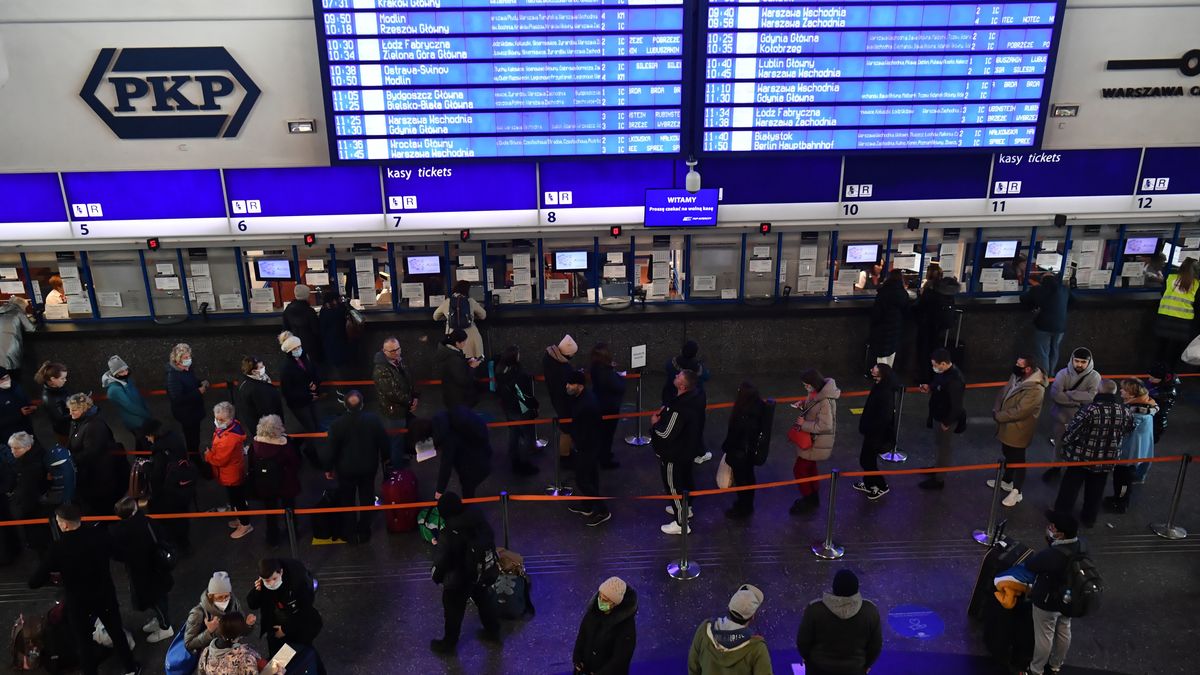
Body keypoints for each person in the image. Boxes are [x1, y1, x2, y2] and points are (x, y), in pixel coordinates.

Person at [28, 504, 141, 675]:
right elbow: (121, 554)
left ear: (65, 525)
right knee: (116, 632)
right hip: (104, 594)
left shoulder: (57, 548)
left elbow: (34, 582)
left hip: (78, 602)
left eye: (59, 521)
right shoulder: (99, 535)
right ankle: (131, 669)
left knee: (83, 643)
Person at [1054, 380, 1133, 527]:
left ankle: (1061, 514)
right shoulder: (1125, 410)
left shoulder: (1090, 409)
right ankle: (1089, 518)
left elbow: (1073, 431)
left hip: (1082, 457)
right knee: (1096, 490)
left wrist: (1065, 441)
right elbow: (1128, 429)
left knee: (1070, 488)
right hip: (1107, 459)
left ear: (1098, 391)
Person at [430, 492, 501, 654]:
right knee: (484, 599)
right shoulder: (478, 517)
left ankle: (449, 643)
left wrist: (436, 576)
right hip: (480, 571)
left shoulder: (449, 533)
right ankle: (493, 630)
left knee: (453, 609)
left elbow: (442, 561)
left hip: (459, 579)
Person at [323, 390, 389, 544]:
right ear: (362, 404)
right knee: (367, 498)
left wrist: (328, 468)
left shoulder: (337, 425)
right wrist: (386, 459)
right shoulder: (373, 420)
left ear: (345, 405)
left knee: (348, 501)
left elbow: (331, 449)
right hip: (368, 468)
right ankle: (364, 530)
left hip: (346, 470)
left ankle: (350, 532)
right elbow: (384, 442)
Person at [1025, 510, 1085, 675]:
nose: (1049, 528)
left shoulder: (1052, 555)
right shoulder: (1081, 545)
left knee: (1045, 635)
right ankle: (1055, 665)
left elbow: (1031, 565)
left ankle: (1035, 670)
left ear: (1060, 534)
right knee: (1064, 628)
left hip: (1048, 601)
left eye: (1052, 527)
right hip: (1069, 598)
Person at [110, 496, 174, 644]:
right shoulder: (148, 522)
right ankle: (162, 621)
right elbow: (163, 536)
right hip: (157, 567)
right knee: (159, 597)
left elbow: (116, 554)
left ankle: (165, 626)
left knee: (155, 599)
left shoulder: (118, 531)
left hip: (139, 571)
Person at [796, 569, 883, 675]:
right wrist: (866, 665)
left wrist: (808, 660)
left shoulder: (815, 609)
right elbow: (875, 646)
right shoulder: (870, 611)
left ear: (834, 588)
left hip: (818, 669)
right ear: (856, 588)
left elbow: (803, 641)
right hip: (855, 670)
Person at [652, 369, 705, 535]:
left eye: (678, 376)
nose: (675, 376)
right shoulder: (698, 396)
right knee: (687, 480)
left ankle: (681, 522)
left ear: (682, 385)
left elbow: (666, 433)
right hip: (688, 450)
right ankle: (687, 508)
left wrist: (654, 425)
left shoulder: (679, 409)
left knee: (674, 486)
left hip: (673, 454)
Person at [990, 355, 1047, 508]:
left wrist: (999, 416)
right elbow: (1004, 391)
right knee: (1007, 451)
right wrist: (997, 409)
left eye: (1018, 364)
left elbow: (1021, 411)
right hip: (1008, 425)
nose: (1015, 366)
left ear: (1028, 369)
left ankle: (1017, 491)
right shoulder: (1017, 376)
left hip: (1019, 428)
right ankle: (1007, 481)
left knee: (1018, 458)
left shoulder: (1036, 389)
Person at [1042, 348, 1101, 483]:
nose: (1079, 364)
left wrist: (1069, 393)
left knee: (1080, 444)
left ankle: (1073, 470)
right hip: (1062, 417)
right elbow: (1056, 396)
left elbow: (1092, 397)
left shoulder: (1095, 376)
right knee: (1059, 443)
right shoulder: (1062, 374)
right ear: (1072, 360)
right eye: (1077, 361)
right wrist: (1079, 400)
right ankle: (1056, 467)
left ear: (1089, 362)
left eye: (1083, 362)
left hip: (1083, 418)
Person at [686, 584, 771, 675]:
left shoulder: (704, 631)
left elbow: (693, 669)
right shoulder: (757, 649)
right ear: (752, 617)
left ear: (729, 607)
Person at [246, 557, 321, 658]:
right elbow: (252, 604)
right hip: (275, 626)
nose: (271, 583)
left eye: (274, 579)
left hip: (297, 627)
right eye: (267, 580)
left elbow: (305, 610)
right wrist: (257, 591)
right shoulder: (263, 585)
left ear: (281, 572)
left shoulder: (296, 585)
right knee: (277, 656)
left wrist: (285, 630)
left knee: (301, 654)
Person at [789, 369, 841, 515]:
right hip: (813, 440)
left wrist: (803, 424)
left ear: (814, 384)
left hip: (815, 441)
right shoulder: (816, 393)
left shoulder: (825, 400)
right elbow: (813, 409)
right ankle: (813, 497)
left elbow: (825, 425)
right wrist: (803, 405)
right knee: (810, 467)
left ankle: (808, 499)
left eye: (807, 385)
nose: (805, 387)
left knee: (799, 470)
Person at [564, 370, 611, 527]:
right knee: (590, 476)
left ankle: (603, 510)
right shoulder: (582, 398)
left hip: (588, 446)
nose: (567, 386)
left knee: (582, 479)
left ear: (580, 385)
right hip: (587, 445)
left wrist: (576, 439)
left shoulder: (587, 404)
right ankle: (589, 505)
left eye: (570, 384)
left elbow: (587, 429)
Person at [67, 392, 126, 515]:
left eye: (74, 410)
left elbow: (92, 452)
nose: (70, 413)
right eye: (70, 410)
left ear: (84, 409)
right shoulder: (78, 421)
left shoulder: (94, 426)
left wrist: (71, 459)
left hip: (98, 476)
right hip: (88, 473)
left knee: (101, 506)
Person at [140, 419, 193, 553]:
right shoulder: (173, 438)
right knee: (181, 518)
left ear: (153, 434)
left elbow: (157, 475)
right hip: (182, 485)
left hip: (169, 492)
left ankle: (178, 545)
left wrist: (145, 467)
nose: (147, 438)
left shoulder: (160, 451)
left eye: (147, 435)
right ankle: (185, 544)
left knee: (169, 521)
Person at [1105, 379, 1157, 514]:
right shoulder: (1146, 408)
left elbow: (1124, 429)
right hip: (1135, 452)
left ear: (1131, 394)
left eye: (1124, 389)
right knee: (1121, 479)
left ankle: (1121, 503)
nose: (1120, 391)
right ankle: (1118, 498)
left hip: (1128, 455)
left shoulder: (1135, 414)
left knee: (1123, 481)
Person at [918, 348, 966, 490]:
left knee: (944, 448)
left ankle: (939, 479)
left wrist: (947, 422)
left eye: (935, 365)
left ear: (944, 364)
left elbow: (956, 406)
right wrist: (930, 387)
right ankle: (937, 468)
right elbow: (938, 384)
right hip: (939, 415)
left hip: (945, 420)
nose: (934, 368)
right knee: (939, 445)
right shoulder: (945, 374)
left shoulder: (955, 380)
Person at [250, 414, 302, 547]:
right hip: (286, 483)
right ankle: (292, 533)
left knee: (270, 512)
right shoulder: (285, 445)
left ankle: (272, 538)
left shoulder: (255, 445)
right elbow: (295, 463)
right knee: (289, 509)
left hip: (266, 484)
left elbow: (251, 464)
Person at [204, 401, 253, 540]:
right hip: (233, 470)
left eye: (221, 419)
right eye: (217, 418)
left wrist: (208, 455)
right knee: (236, 499)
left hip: (231, 474)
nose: (218, 421)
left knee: (238, 499)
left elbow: (220, 460)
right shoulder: (233, 426)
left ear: (230, 418)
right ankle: (241, 520)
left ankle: (245, 524)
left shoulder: (228, 439)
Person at [572, 577, 637, 675]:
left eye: (605, 600)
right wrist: (577, 658)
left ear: (615, 603)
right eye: (600, 596)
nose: (600, 601)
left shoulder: (626, 626)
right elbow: (582, 636)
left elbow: (620, 660)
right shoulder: (592, 613)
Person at [661, 340, 713, 464]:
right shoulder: (697, 367)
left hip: (671, 398)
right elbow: (706, 376)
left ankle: (669, 447)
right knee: (695, 427)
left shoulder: (672, 362)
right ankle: (699, 453)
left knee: (672, 424)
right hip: (692, 402)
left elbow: (667, 367)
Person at [722, 382, 766, 519]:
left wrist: (727, 447)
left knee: (742, 480)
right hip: (749, 452)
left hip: (740, 453)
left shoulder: (744, 414)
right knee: (748, 478)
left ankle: (744, 506)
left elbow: (735, 435)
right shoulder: (758, 407)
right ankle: (746, 504)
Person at [429, 405, 493, 499]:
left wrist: (439, 490)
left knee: (468, 488)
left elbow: (446, 465)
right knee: (468, 487)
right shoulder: (451, 420)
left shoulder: (448, 438)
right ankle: (469, 506)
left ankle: (469, 508)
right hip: (481, 455)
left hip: (473, 464)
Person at [184, 571, 257, 653]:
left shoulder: (234, 603)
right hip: (212, 655)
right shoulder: (198, 613)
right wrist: (209, 632)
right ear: (210, 596)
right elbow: (189, 644)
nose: (224, 600)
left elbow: (240, 631)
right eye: (219, 597)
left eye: (227, 596)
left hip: (233, 650)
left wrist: (248, 625)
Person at [495, 345, 540, 476]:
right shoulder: (520, 375)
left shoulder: (500, 371)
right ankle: (525, 464)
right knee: (527, 437)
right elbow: (527, 395)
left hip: (508, 408)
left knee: (513, 434)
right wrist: (535, 405)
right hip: (521, 409)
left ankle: (514, 460)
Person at [855, 363, 898, 500]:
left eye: (875, 368)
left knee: (867, 461)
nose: (872, 370)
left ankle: (881, 485)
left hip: (875, 433)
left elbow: (884, 417)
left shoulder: (884, 392)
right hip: (872, 431)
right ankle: (869, 483)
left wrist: (871, 429)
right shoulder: (880, 386)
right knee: (867, 460)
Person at [373, 336, 419, 464]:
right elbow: (393, 393)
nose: (397, 352)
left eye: (398, 349)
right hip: (394, 411)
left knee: (401, 437)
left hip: (403, 407)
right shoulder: (381, 370)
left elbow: (409, 379)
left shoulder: (399, 360)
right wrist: (410, 401)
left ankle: (400, 459)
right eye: (392, 351)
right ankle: (397, 468)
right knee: (396, 441)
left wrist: (415, 397)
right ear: (384, 351)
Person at [4, 431, 49, 552]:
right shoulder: (33, 456)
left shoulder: (30, 468)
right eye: (12, 448)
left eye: (17, 448)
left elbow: (29, 492)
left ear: (28, 447)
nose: (13, 451)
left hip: (34, 506)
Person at [913, 266, 958, 384]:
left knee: (924, 352)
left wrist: (920, 295)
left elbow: (918, 307)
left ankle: (923, 377)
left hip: (926, 326)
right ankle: (935, 375)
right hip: (939, 327)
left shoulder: (929, 290)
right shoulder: (946, 291)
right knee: (935, 351)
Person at [165, 343, 209, 458]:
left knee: (196, 436)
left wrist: (200, 382)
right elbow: (177, 399)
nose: (189, 360)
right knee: (192, 439)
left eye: (189, 357)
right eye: (185, 358)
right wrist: (198, 392)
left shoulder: (187, 369)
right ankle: (194, 458)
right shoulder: (173, 377)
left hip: (194, 411)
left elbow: (191, 381)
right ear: (177, 360)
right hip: (187, 414)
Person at [1153, 257, 1198, 365]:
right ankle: (1169, 375)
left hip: (1165, 317)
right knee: (1175, 352)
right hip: (1183, 321)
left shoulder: (1170, 278)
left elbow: (1163, 293)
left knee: (1161, 349)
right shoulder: (1197, 284)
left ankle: (1156, 375)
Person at [589, 341, 626, 470]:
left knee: (602, 433)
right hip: (609, 407)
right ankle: (605, 459)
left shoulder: (595, 367)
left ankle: (602, 454)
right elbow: (619, 387)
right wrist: (621, 377)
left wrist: (611, 368)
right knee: (607, 434)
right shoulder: (606, 372)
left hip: (599, 403)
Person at [543, 334, 579, 466]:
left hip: (555, 397)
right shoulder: (563, 368)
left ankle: (566, 452)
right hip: (563, 401)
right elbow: (567, 388)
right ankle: (565, 456)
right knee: (566, 428)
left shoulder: (549, 357)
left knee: (566, 426)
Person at [278, 331, 321, 433]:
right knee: (310, 427)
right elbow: (288, 392)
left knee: (316, 422)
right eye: (295, 348)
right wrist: (309, 396)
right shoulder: (286, 368)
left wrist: (315, 382)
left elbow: (313, 371)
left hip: (310, 397)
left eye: (299, 346)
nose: (298, 349)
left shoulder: (304, 356)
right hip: (300, 404)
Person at [102, 355, 153, 440]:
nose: (125, 373)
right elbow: (129, 406)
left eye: (126, 370)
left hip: (141, 418)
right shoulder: (115, 390)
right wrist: (146, 414)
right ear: (115, 374)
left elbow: (138, 397)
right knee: (144, 443)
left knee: (142, 443)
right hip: (135, 421)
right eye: (121, 372)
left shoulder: (125, 381)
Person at [433, 280, 487, 359]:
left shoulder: (448, 302)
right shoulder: (470, 301)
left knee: (456, 365)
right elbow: (483, 315)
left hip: (454, 339)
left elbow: (435, 316)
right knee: (473, 365)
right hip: (471, 338)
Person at [197, 613, 266, 675]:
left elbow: (201, 672)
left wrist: (247, 625)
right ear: (235, 638)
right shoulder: (244, 658)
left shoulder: (206, 653)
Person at [869, 269, 910, 367]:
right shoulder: (903, 294)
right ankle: (888, 374)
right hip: (896, 327)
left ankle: (882, 376)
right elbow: (907, 312)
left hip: (882, 327)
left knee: (881, 353)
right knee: (891, 352)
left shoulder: (883, 292)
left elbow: (877, 313)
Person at [235, 355, 284, 436]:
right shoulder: (255, 389)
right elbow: (266, 410)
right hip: (267, 430)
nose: (264, 367)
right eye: (261, 367)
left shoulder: (247, 381)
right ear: (253, 371)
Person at [435, 329, 481, 410]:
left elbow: (455, 370)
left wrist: (467, 362)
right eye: (463, 342)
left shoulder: (447, 352)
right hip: (458, 398)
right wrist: (472, 367)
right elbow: (463, 380)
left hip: (451, 395)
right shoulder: (454, 358)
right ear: (457, 343)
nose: (465, 344)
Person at [282, 283, 323, 364]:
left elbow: (285, 327)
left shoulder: (288, 309)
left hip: (294, 344)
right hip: (310, 344)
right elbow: (316, 329)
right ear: (306, 295)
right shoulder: (309, 311)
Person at [34, 360, 72, 444]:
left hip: (69, 426)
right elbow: (60, 418)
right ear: (53, 379)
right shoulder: (49, 398)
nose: (65, 380)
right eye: (62, 378)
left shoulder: (59, 387)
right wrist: (79, 411)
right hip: (64, 431)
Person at [0, 296, 34, 382]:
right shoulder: (18, 313)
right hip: (10, 352)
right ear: (21, 306)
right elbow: (31, 329)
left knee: (3, 382)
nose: (26, 309)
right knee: (13, 381)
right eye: (25, 307)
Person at [0, 365, 34, 448]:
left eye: (7, 377)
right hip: (12, 437)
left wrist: (30, 406)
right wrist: (19, 413)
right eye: (2, 379)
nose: (6, 381)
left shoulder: (15, 386)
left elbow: (24, 399)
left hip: (27, 429)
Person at [1144, 363, 1178, 446]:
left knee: (1148, 444)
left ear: (1163, 378)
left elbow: (1149, 396)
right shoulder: (1154, 384)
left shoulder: (1168, 391)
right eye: (1149, 376)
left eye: (1153, 377)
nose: (1150, 379)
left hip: (1156, 422)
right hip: (1149, 418)